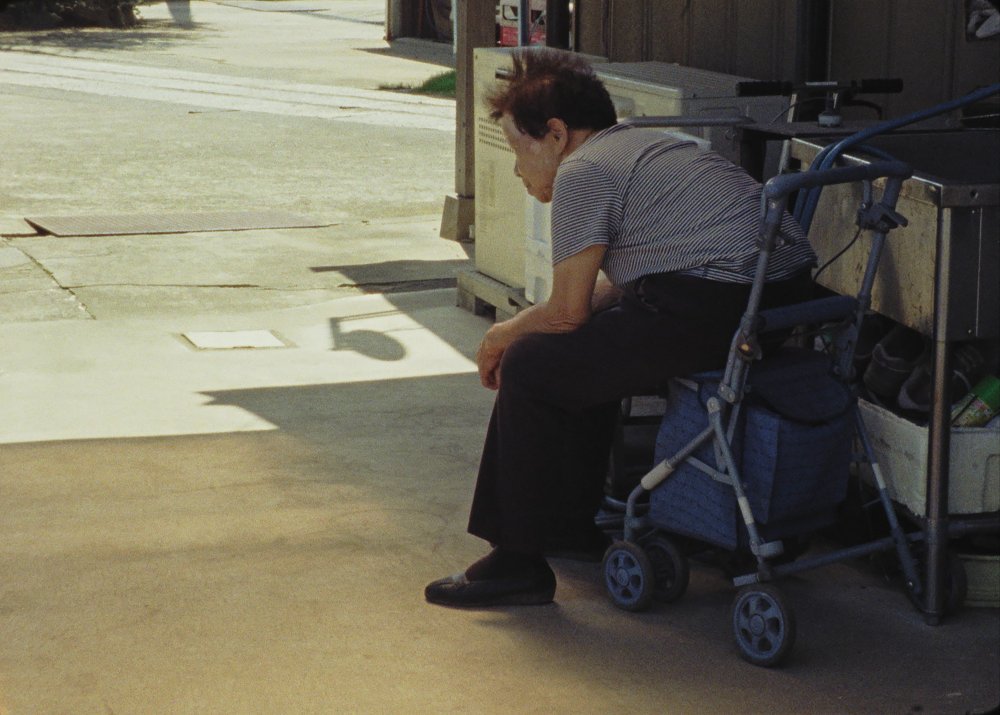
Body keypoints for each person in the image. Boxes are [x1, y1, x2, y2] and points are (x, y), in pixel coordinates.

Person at [425, 48, 816, 608]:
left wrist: (500, 336)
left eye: (518, 149)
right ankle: (566, 527)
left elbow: (565, 311)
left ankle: (516, 561)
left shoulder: (584, 170)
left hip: (716, 300)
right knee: (585, 353)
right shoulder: (644, 143)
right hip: (778, 295)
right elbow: (609, 295)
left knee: (532, 365)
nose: (517, 169)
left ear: (556, 134)